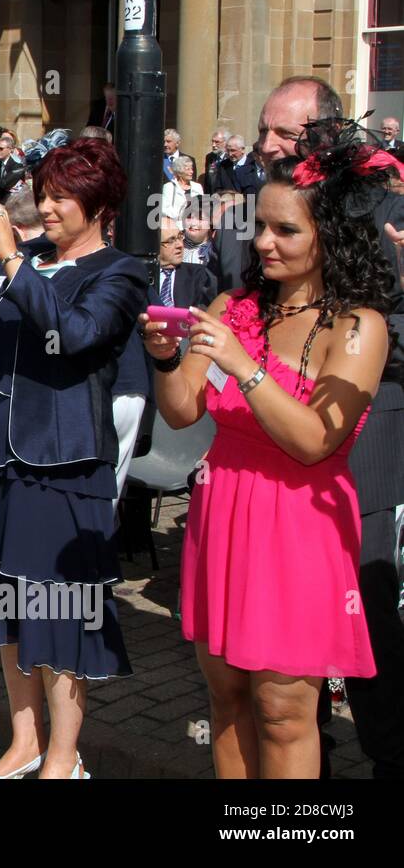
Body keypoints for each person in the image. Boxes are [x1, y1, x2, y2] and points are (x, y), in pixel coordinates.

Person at [142, 135, 398, 778]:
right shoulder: (236, 308)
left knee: (284, 710)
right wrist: (166, 356)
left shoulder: (359, 325)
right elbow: (181, 410)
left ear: (329, 237)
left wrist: (243, 364)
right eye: (260, 226)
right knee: (226, 698)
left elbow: (316, 440)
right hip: (223, 508)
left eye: (285, 229)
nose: (262, 242)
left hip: (300, 523)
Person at [0, 138, 144, 779]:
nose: (48, 206)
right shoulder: (24, 257)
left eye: (61, 197)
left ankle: (65, 757)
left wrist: (15, 263)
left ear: (98, 206)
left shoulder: (120, 272)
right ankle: (25, 739)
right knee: (8, 602)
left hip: (63, 464)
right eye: (43, 194)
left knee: (60, 608)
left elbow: (73, 335)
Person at [256, 77, 404, 780]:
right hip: (276, 440)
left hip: (363, 431)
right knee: (289, 614)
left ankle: (388, 754)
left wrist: (356, 347)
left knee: (365, 606)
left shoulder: (384, 202)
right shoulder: (268, 210)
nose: (265, 145)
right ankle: (299, 748)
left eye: (282, 134)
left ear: (325, 135)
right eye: (264, 131)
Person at [161, 156, 203, 225]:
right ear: (179, 172)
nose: (191, 172)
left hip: (194, 225)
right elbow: (165, 209)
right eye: (188, 169)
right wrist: (184, 216)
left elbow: (202, 207)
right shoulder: (169, 187)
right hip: (176, 226)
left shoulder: (198, 187)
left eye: (192, 169)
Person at [203, 130, 231, 195]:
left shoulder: (230, 158)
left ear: (225, 143)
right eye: (212, 141)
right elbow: (207, 181)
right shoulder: (209, 157)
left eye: (217, 142)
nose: (213, 145)